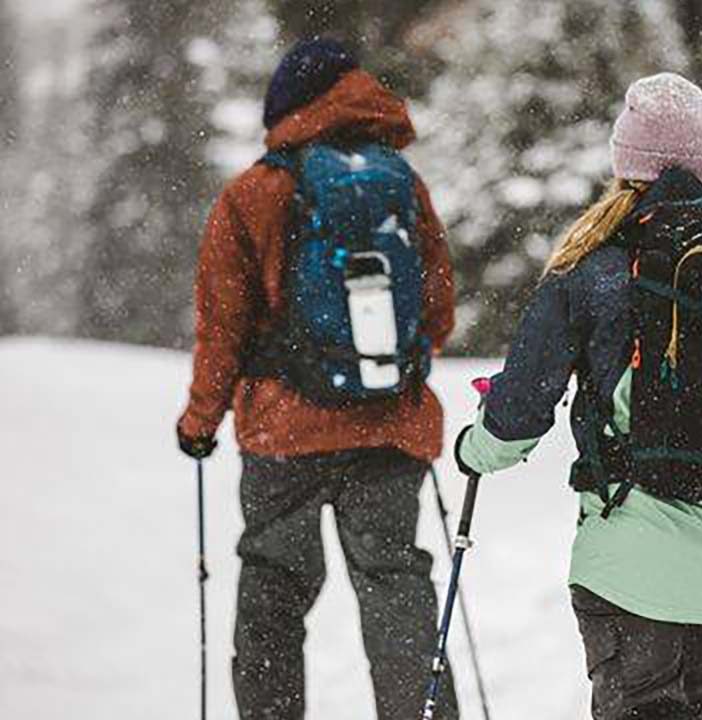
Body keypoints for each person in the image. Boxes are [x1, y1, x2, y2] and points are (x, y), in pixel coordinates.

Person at [454, 72, 702, 720]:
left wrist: (474, 451)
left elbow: (518, 413)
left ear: (623, 162)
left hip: (630, 573)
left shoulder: (592, 266)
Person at [175, 38, 458, 720]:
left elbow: (223, 326)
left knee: (274, 588)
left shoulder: (254, 193)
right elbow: (439, 307)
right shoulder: (400, 182)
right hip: (390, 428)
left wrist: (200, 421)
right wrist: (381, 368)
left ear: (287, 109)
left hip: (282, 434)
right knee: (396, 586)